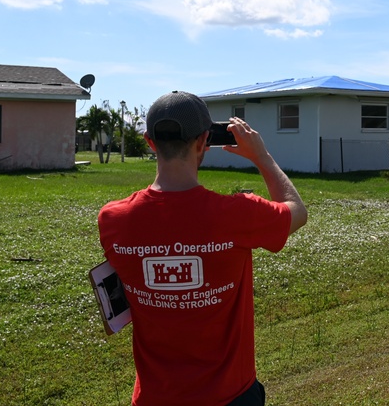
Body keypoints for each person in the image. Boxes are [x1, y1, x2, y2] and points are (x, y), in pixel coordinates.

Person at [98, 90, 307, 406]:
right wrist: (261, 156)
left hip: (155, 398)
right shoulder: (238, 214)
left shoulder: (112, 220)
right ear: (203, 142)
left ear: (150, 142)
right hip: (230, 396)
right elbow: (296, 211)